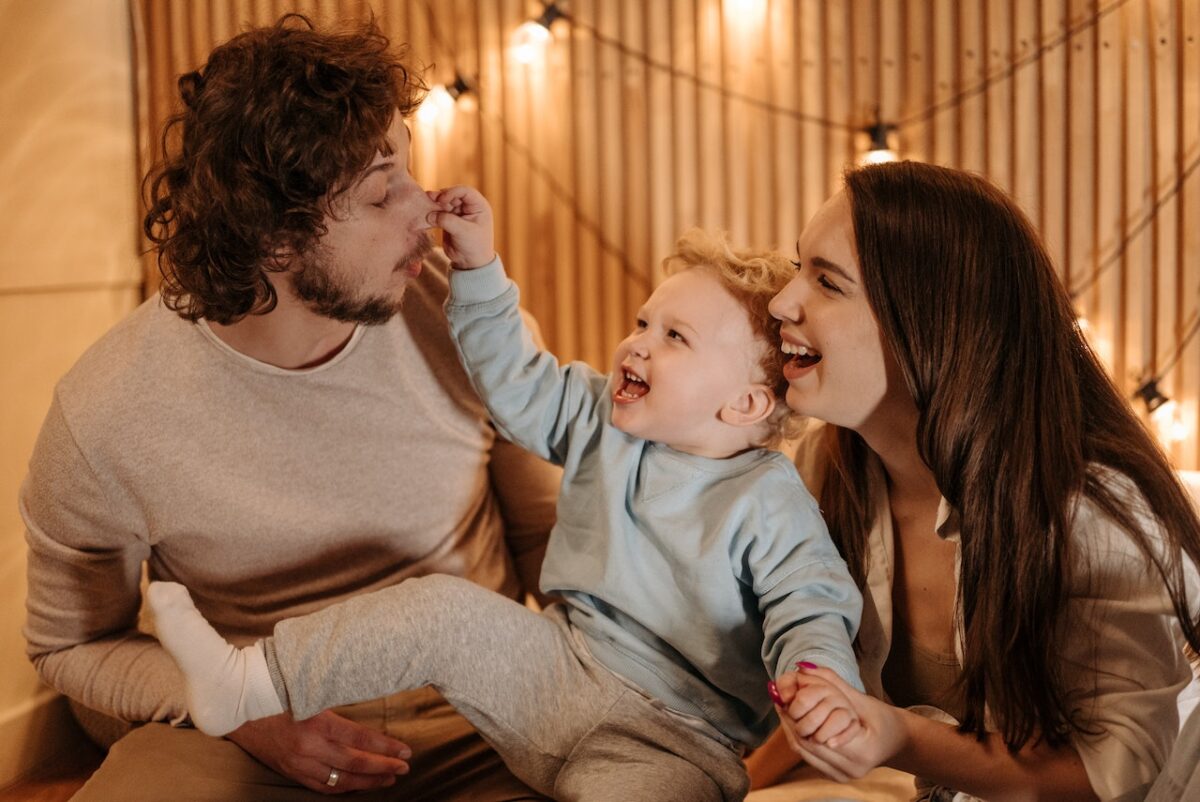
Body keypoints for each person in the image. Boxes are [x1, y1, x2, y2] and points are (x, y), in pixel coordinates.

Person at [145, 187, 866, 802]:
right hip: (555, 673)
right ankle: (248, 683)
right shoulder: (597, 414)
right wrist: (479, 267)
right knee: (441, 609)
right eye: (642, 323)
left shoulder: (768, 497)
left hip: (679, 741)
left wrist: (816, 679)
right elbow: (515, 379)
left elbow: (809, 601)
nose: (636, 344)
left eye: (674, 337)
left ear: (742, 405)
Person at [20, 14, 561, 802]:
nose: (427, 207)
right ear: (274, 241)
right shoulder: (107, 411)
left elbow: (552, 543)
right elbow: (73, 645)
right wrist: (247, 717)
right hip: (253, 724)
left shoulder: (469, 324)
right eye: (383, 193)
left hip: (477, 711)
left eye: (411, 169)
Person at [746, 160, 1200, 801]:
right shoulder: (830, 468)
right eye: (799, 269)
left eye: (827, 282)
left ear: (931, 324)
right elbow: (826, 715)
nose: (782, 301)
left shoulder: (1084, 511)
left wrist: (901, 738)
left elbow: (1117, 774)